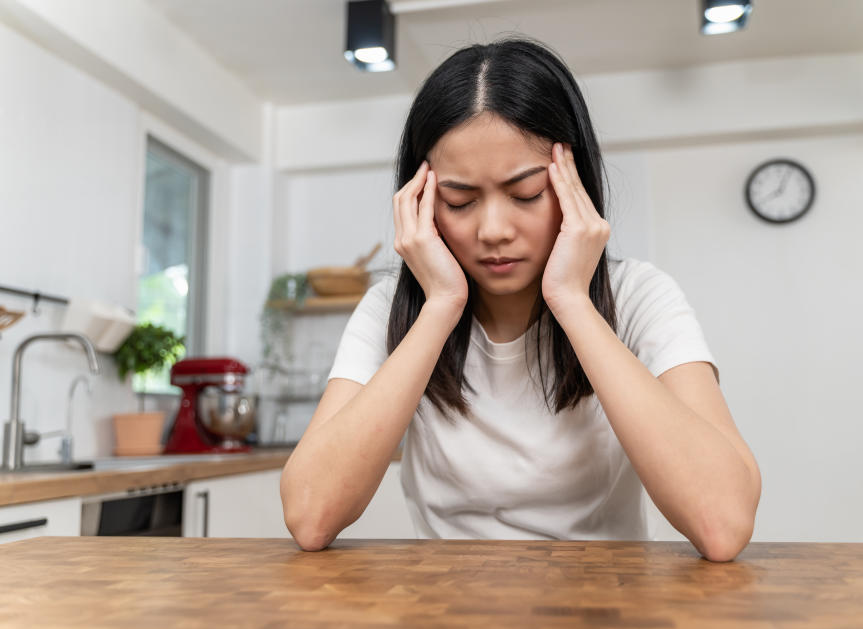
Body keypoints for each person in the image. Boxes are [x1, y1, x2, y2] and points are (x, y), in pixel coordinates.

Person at [280, 37, 761, 562]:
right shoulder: (387, 311)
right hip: (441, 607)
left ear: (575, 183)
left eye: (526, 194)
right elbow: (310, 515)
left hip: (606, 606)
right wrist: (440, 305)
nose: (493, 230)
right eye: (459, 201)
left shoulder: (640, 296)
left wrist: (572, 301)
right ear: (420, 203)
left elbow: (723, 523)